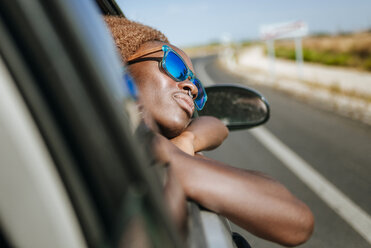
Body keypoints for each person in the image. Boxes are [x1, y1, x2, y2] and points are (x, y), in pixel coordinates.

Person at [104, 16, 314, 246]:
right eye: (176, 66)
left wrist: (188, 140)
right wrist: (183, 147)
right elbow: (296, 220)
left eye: (197, 86)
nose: (192, 87)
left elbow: (295, 216)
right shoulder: (129, 145)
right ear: (118, 65)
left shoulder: (169, 147)